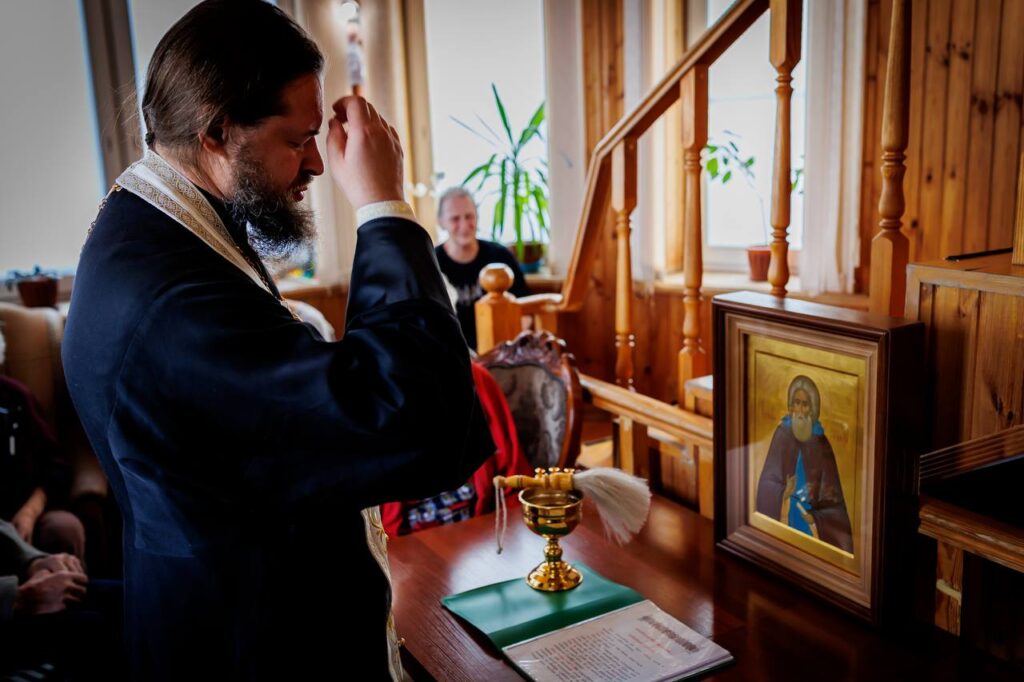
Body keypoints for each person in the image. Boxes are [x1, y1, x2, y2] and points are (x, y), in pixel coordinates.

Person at [61, 2, 492, 680]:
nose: (318, 162)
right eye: (299, 139)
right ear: (218, 131)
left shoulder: (155, 226)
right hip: (246, 645)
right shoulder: (171, 294)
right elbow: (403, 415)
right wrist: (383, 206)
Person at [0, 330, 87, 560]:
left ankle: (68, 581)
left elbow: (55, 466)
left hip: (23, 512)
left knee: (65, 528)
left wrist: (30, 512)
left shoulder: (16, 397)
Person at [755, 375, 853, 553]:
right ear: (791, 405)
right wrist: (784, 492)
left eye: (805, 404)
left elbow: (833, 500)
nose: (800, 409)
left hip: (809, 519)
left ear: (812, 409)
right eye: (797, 402)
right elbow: (766, 484)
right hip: (786, 512)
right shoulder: (782, 435)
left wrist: (816, 518)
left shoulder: (821, 444)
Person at [433, 187, 530, 350]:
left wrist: (505, 350)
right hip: (453, 354)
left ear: (477, 216)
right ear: (441, 222)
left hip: (501, 351)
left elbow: (525, 312)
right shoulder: (431, 263)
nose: (464, 225)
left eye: (469, 216)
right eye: (455, 219)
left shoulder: (500, 256)